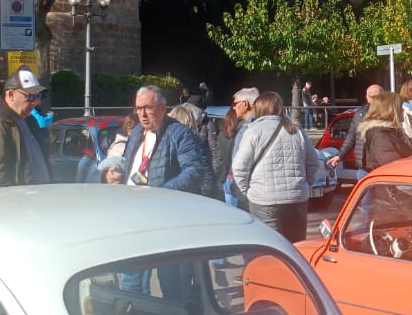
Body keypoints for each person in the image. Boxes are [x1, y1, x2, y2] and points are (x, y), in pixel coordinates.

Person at [231, 90, 323, 241]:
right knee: (296, 248)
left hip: (264, 200)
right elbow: (313, 163)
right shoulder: (296, 130)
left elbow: (239, 168)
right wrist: (305, 185)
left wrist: (248, 192)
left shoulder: (253, 131)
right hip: (296, 198)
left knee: (271, 248)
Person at [121, 85, 212, 193]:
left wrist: (162, 193)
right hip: (131, 200)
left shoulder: (181, 134)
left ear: (163, 108)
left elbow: (194, 171)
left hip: (161, 205)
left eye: (148, 108)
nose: (142, 114)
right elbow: (125, 162)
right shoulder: (136, 131)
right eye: (139, 108)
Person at [0, 69, 53, 187]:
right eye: (31, 96)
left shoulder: (26, 119)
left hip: (34, 199)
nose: (36, 102)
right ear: (11, 95)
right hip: (16, 202)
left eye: (39, 96)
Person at [165, 102, 221, 198]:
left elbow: (206, 175)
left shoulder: (193, 143)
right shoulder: (169, 143)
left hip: (184, 196)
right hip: (181, 197)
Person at [357, 90, 412, 169]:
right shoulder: (382, 137)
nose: (403, 111)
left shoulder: (391, 132)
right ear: (391, 110)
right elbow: (395, 167)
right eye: (401, 108)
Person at [339, 83, 385, 173]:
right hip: (364, 168)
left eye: (377, 97)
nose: (375, 100)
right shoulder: (359, 114)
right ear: (367, 97)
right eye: (372, 97)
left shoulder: (390, 112)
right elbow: (351, 137)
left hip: (383, 165)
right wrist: (339, 155)